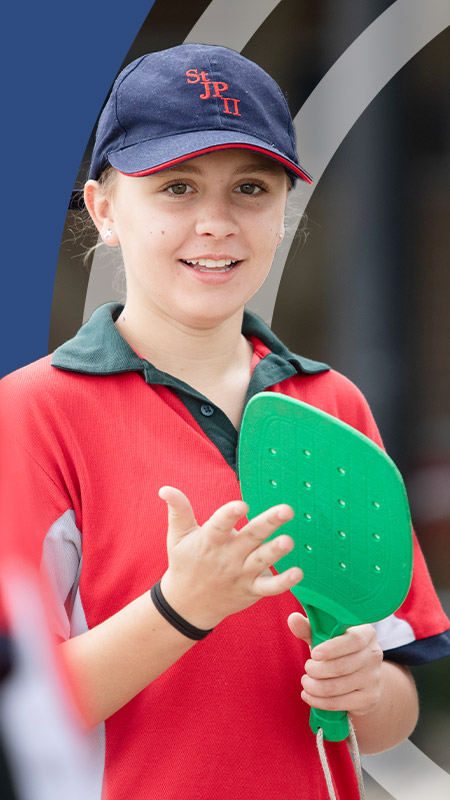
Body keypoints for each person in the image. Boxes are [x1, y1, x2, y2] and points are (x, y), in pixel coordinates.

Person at [2, 44, 450, 800]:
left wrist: (366, 688)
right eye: (176, 188)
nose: (216, 223)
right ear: (104, 210)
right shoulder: (31, 413)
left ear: (285, 216)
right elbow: (24, 715)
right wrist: (183, 607)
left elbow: (394, 710)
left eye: (250, 188)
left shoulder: (333, 403)